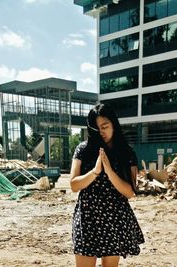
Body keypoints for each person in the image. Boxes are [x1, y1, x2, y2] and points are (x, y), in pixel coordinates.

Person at [70, 103, 144, 267]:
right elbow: (74, 185)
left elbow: (130, 192)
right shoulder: (84, 149)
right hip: (87, 217)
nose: (102, 131)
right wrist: (96, 171)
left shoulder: (126, 152)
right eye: (97, 128)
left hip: (114, 218)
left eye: (105, 126)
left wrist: (109, 171)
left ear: (114, 125)